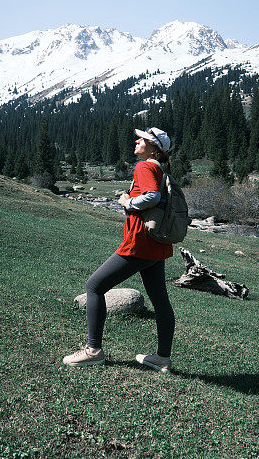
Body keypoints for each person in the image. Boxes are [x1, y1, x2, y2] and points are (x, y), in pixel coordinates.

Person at [63, 127, 176, 373]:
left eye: (142, 139)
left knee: (94, 286)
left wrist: (127, 202)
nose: (137, 141)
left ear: (153, 146)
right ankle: (162, 358)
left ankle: (93, 351)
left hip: (139, 244)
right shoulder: (160, 168)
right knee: (160, 302)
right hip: (157, 243)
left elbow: (153, 197)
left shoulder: (145, 166)